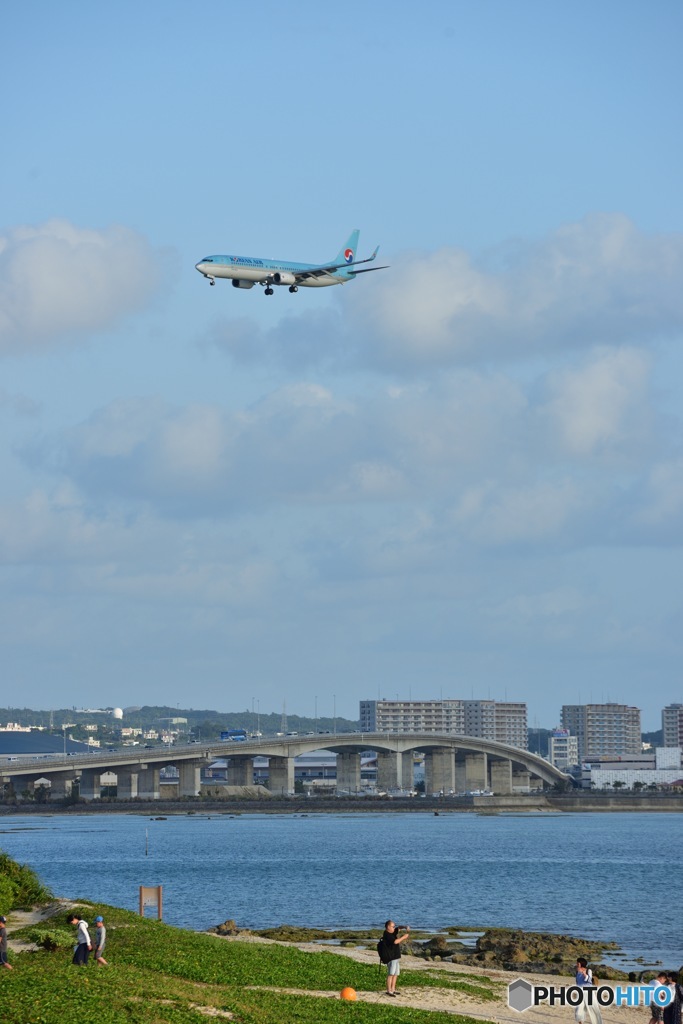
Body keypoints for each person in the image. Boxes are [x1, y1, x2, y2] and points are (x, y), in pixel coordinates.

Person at [381, 920, 411, 996]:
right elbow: (395, 942)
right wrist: (403, 937)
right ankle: (388, 990)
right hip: (391, 957)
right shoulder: (387, 934)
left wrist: (405, 927)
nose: (394, 928)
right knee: (391, 974)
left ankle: (393, 989)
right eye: (392, 926)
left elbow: (398, 928)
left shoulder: (393, 932)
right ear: (388, 927)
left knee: (396, 974)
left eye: (394, 926)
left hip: (396, 956)